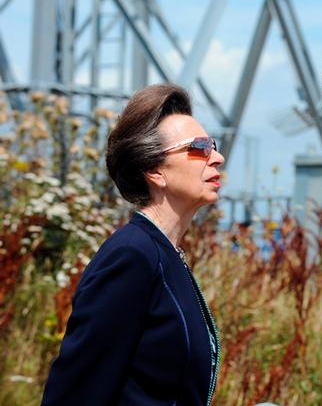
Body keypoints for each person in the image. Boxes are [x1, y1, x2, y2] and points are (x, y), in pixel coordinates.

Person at [41, 83, 224, 405]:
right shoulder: (132, 256)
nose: (217, 158)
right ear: (154, 169)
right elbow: (76, 390)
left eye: (214, 145)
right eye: (199, 147)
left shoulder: (166, 255)